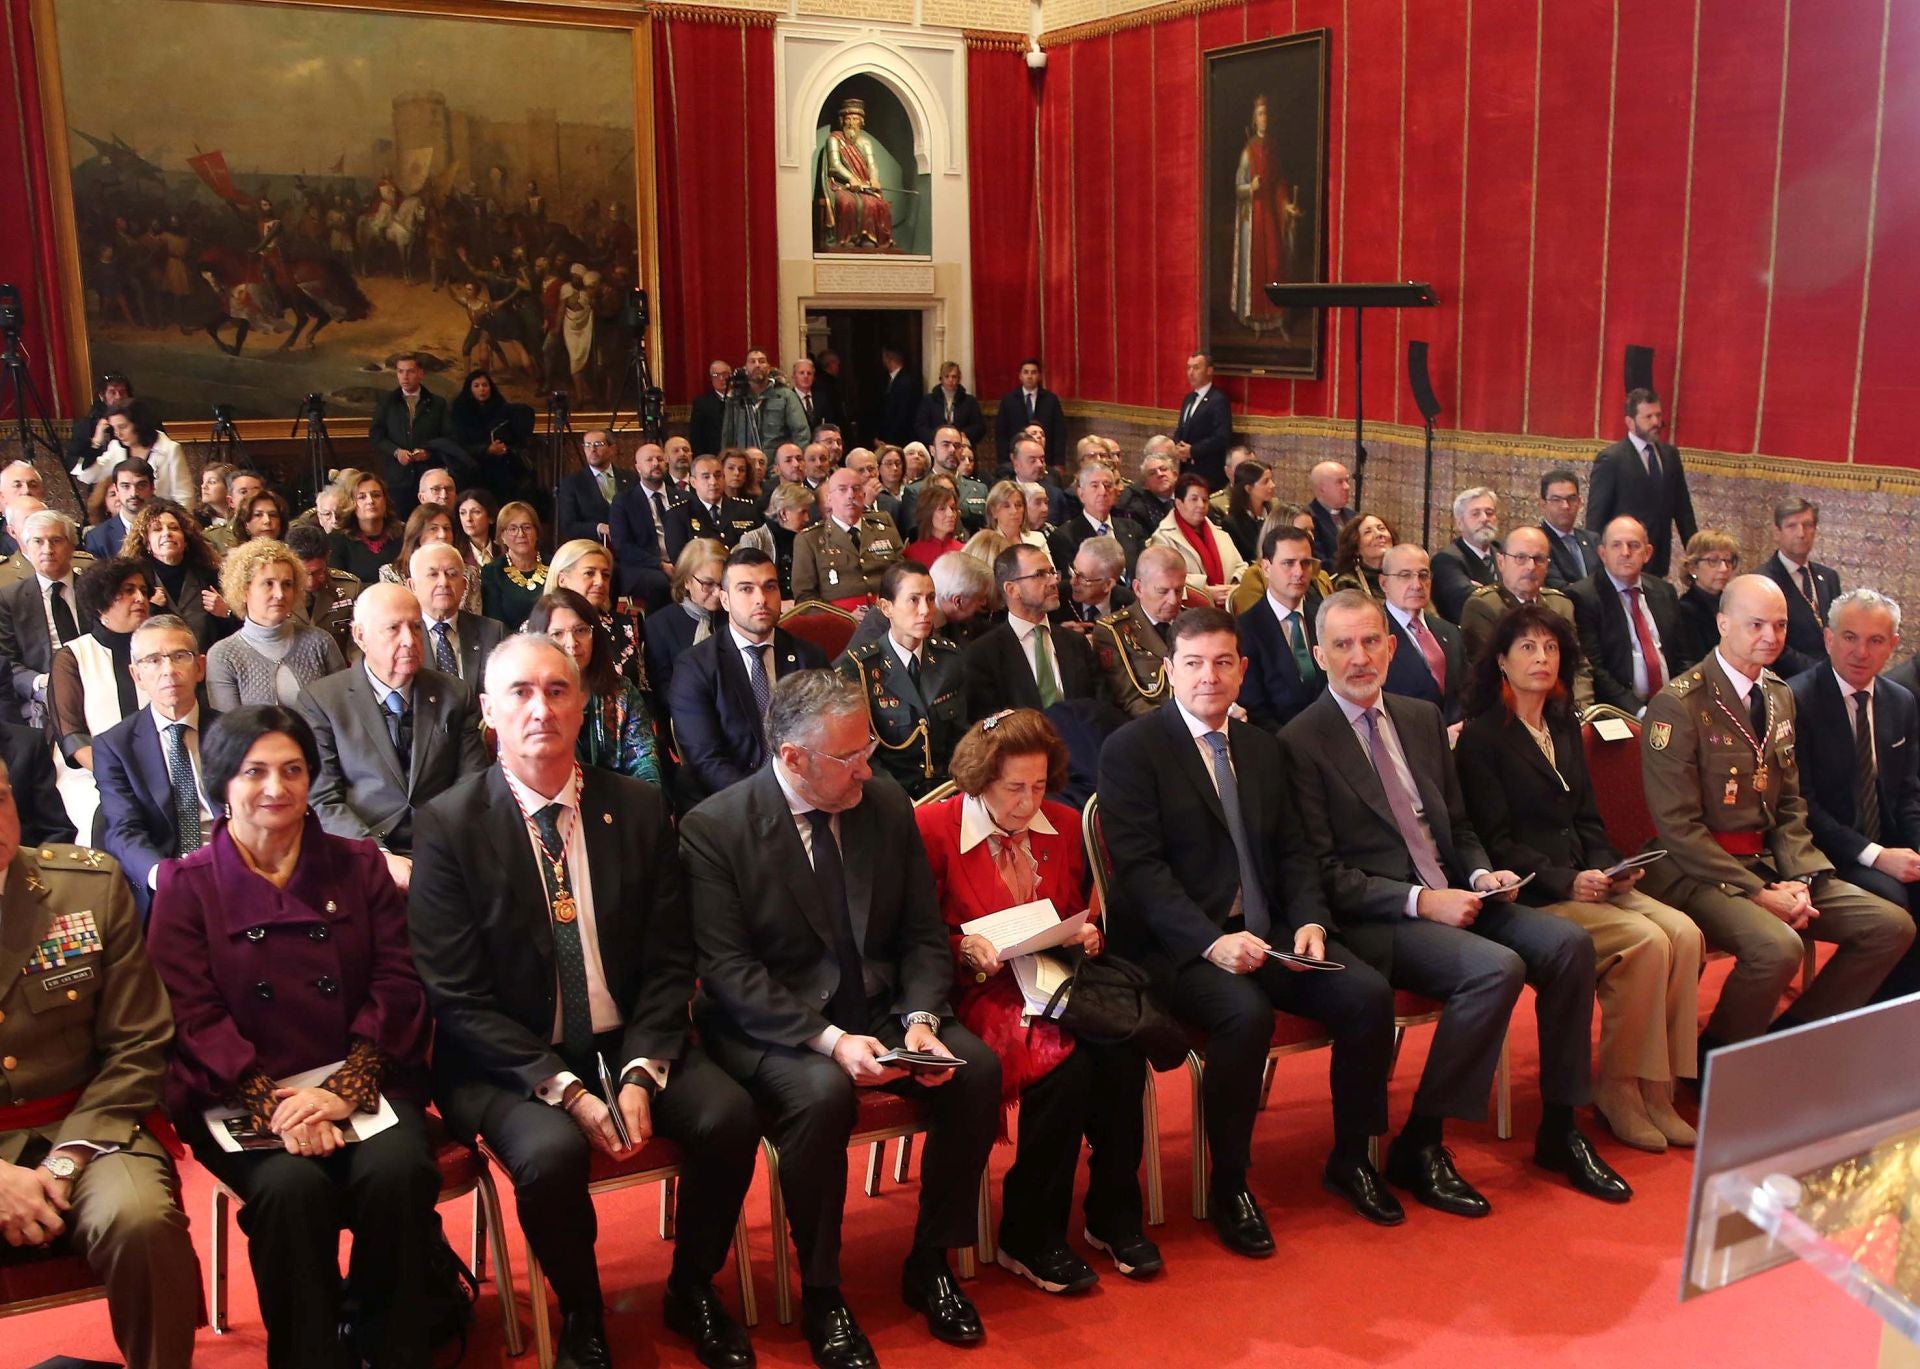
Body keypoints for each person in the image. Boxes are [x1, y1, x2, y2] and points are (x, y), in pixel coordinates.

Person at [409, 634, 761, 1369]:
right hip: (508, 1055)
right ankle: (582, 1312)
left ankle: (692, 1286)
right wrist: (566, 1091)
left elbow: (672, 959)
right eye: (521, 692)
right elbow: (458, 996)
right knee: (548, 1154)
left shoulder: (633, 806)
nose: (542, 708)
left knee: (728, 1116)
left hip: (627, 1037)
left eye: (558, 690)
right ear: (489, 712)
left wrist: (641, 1070)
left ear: (583, 705)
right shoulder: (448, 824)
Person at [683, 669, 1001, 1361]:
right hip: (777, 1024)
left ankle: (931, 1260)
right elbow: (731, 974)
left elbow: (922, 931)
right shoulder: (716, 828)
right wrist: (829, 1041)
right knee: (823, 1097)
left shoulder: (882, 803)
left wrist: (921, 1017)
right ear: (793, 757)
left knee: (975, 1068)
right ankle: (824, 1291)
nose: (868, 765)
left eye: (866, 750)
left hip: (883, 1008)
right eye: (849, 755)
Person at [1281, 590, 1630, 1213]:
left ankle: (1559, 1127)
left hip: (1457, 890)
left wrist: (1480, 872)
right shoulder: (1301, 741)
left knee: (1570, 944)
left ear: (1391, 647)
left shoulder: (1418, 717)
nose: (1360, 657)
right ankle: (1421, 1139)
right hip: (1381, 915)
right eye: (1342, 645)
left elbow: (1460, 826)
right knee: (1495, 969)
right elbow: (1323, 873)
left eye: (1370, 642)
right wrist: (1422, 900)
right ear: (1319, 654)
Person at [146, 705, 440, 1368]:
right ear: (222, 783)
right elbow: (189, 1014)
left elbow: (397, 982)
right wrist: (273, 1103)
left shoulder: (359, 866)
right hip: (238, 1092)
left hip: (357, 1076)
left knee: (399, 1171)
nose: (275, 787)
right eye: (255, 772)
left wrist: (344, 1090)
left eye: (292, 769)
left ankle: (385, 1337)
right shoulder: (187, 887)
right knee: (291, 1191)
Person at [1455, 604, 1703, 1151]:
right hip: (1533, 894)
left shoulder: (1565, 723)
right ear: (1501, 660)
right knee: (1645, 941)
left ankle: (1657, 1087)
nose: (1542, 658)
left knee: (1684, 932)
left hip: (1585, 878)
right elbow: (1496, 841)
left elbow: (1589, 817)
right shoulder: (1482, 737)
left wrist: (1612, 866)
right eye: (1527, 648)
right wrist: (1569, 880)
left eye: (1550, 648)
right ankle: (1616, 1087)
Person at [922, 710, 1156, 1287]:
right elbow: (910, 933)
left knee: (1123, 1052)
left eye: (1038, 785)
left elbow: (1084, 903)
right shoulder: (933, 828)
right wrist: (961, 946)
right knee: (1067, 1068)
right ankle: (1028, 1230)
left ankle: (1112, 1210)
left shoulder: (1065, 822)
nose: (1029, 803)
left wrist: (1089, 930)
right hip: (979, 988)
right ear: (980, 781)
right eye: (1013, 789)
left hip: (1058, 975)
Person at [1637, 575, 1915, 1055]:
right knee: (1778, 947)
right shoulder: (1678, 704)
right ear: (1723, 623)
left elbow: (1789, 803)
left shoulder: (1780, 694)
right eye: (1756, 624)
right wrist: (1760, 893)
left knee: (1890, 926)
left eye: (1780, 625)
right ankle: (1717, 1058)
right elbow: (1678, 829)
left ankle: (1790, 1041)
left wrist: (1801, 877)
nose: (1770, 636)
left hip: (1772, 862)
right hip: (1699, 871)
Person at [0, 754, 198, 1369]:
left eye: (0, 797)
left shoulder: (86, 884)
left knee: (141, 1221)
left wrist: (64, 1162)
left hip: (90, 1125)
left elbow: (138, 1041)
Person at [296, 583, 488, 890]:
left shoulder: (454, 693)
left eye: (415, 627)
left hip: (444, 847)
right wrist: (378, 856)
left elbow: (473, 783)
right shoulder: (323, 701)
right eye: (393, 629)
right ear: (360, 636)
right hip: (361, 849)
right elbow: (323, 800)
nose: (409, 640)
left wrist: (443, 850)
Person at [1786, 589, 1920, 1003]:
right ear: (1828, 639)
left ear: (1893, 645)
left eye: (1876, 641)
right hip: (1826, 852)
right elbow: (1802, 806)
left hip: (1887, 841)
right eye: (1849, 637)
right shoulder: (1796, 699)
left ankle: (1898, 1016)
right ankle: (1844, 1019)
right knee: (1896, 905)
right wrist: (1877, 856)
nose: (1861, 651)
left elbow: (1908, 795)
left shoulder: (1900, 701)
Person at [668, 548, 828, 802]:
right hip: (736, 802)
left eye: (770, 587)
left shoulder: (809, 657)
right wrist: (768, 801)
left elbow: (828, 735)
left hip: (808, 792)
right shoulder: (695, 666)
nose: (761, 599)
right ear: (725, 600)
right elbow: (707, 760)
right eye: (746, 589)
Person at [91, 614, 215, 920]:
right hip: (164, 881)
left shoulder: (234, 731)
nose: (168, 671)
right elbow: (123, 830)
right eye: (153, 661)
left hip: (234, 870)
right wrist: (165, 877)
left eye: (179, 657)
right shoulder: (114, 746)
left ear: (199, 667)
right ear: (136, 675)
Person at [832, 561, 966, 797]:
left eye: (931, 598)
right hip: (889, 796)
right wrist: (897, 800)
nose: (925, 610)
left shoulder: (949, 658)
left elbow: (964, 735)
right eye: (914, 600)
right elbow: (860, 754)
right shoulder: (860, 668)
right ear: (886, 608)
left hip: (950, 789)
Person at [526, 588, 663, 787]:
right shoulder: (527, 702)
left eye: (580, 630)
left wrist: (641, 802)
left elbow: (644, 762)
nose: (571, 644)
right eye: (557, 634)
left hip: (619, 803)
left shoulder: (621, 693)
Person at [1458, 526, 1594, 709]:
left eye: (1539, 559)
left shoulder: (1560, 605)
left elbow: (1577, 666)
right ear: (1501, 561)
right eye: (1521, 558)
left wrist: (1581, 709)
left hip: (1563, 709)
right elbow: (1490, 674)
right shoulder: (1484, 606)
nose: (1531, 567)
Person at [964, 544, 1106, 717]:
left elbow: (1100, 706)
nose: (1054, 581)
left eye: (1052, 572)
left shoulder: (1076, 642)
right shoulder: (983, 655)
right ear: (1012, 589)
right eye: (1040, 575)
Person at [207, 540, 347, 709]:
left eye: (287, 584)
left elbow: (344, 711)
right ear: (244, 590)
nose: (280, 594)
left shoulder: (321, 641)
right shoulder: (223, 655)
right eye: (268, 584)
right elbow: (230, 728)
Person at [1568, 516, 1686, 715]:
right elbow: (1595, 669)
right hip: (1618, 712)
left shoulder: (1665, 592)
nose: (1625, 553)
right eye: (1616, 545)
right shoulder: (1584, 597)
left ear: (1647, 553)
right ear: (1603, 553)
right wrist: (1640, 712)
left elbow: (1684, 657)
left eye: (1633, 545)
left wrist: (1680, 701)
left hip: (1671, 706)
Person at [1586, 387, 1696, 578]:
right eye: (1648, 417)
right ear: (1630, 422)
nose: (1656, 422)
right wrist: (1595, 568)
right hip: (1623, 561)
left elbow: (1683, 511)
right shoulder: (1611, 459)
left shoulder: (1670, 455)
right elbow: (1596, 518)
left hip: (1658, 560)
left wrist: (1696, 556)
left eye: (1658, 415)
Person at [0, 510, 91, 728]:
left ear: (71, 546)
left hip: (97, 680)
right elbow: (7, 662)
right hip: (43, 694)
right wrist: (41, 682)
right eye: (38, 542)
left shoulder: (94, 588)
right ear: (26, 548)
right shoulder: (10, 599)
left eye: (56, 541)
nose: (47, 550)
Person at [1236, 522, 1327, 733]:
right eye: (1288, 563)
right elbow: (1254, 710)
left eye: (1305, 563)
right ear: (1266, 568)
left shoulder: (1324, 618)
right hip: (1280, 742)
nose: (1299, 572)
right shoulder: (1245, 629)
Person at [1090, 544, 1187, 718]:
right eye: (1163, 591)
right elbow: (1130, 700)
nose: (1173, 600)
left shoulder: (1193, 624)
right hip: (1154, 728)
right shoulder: (1114, 632)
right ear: (1138, 588)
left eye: (1179, 590)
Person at [1378, 544, 1468, 729]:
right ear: (1384, 583)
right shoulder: (1374, 636)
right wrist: (1441, 736)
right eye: (1405, 575)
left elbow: (1467, 689)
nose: (1417, 585)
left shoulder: (1449, 631)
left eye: (1423, 575)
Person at [124, 498, 233, 648]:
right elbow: (127, 633)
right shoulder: (136, 582)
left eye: (174, 528)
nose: (167, 533)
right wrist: (151, 608)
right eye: (157, 529)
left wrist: (225, 613)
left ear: (186, 540)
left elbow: (236, 632)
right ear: (147, 543)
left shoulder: (210, 575)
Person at [370, 354, 467, 515]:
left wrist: (428, 452)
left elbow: (450, 438)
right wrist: (396, 452)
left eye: (410, 372)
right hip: (398, 478)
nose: (405, 377)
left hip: (429, 477)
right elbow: (376, 435)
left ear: (421, 374)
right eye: (401, 372)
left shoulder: (437, 403)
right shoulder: (387, 402)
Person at [792, 467, 904, 604]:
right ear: (829, 498)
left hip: (888, 614)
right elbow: (805, 597)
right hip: (838, 620)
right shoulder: (809, 540)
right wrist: (843, 615)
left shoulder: (884, 528)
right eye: (842, 489)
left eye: (856, 489)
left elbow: (904, 577)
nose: (851, 495)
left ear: (863, 495)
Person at [1758, 496, 1841, 678]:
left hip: (1830, 678)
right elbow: (1769, 641)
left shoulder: (1828, 577)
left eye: (1808, 525)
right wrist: (1819, 671)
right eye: (1792, 526)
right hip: (1788, 681)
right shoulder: (1763, 581)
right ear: (1777, 532)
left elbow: (1837, 628)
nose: (1801, 533)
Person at [409, 542, 504, 686]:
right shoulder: (404, 637)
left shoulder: (492, 633)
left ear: (464, 586)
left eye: (451, 574)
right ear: (412, 586)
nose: (443, 582)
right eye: (433, 574)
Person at [645, 539, 726, 706]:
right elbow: (663, 689)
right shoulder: (659, 625)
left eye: (722, 583)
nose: (717, 593)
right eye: (708, 584)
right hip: (687, 711)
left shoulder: (735, 618)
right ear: (687, 581)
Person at [610, 440, 688, 611]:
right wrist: (660, 564)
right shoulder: (624, 501)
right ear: (637, 467)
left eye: (660, 459)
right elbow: (622, 546)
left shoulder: (684, 498)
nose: (655, 464)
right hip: (642, 566)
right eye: (649, 460)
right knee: (659, 583)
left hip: (681, 563)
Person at [1148, 472, 1246, 606]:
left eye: (1205, 500)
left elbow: (1241, 566)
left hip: (1227, 606)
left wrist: (1233, 586)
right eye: (1194, 499)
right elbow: (1165, 578)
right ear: (1179, 503)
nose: (1201, 505)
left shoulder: (1220, 534)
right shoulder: (1163, 538)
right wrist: (1204, 592)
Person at [1050, 459, 1144, 577]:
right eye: (1094, 486)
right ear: (1081, 494)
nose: (1103, 492)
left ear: (1115, 492)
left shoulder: (1132, 529)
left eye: (1108, 485)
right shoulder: (1064, 537)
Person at [448, 369, 528, 505]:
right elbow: (458, 443)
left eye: (485, 385)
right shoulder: (460, 410)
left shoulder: (500, 406)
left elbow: (511, 435)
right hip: (470, 467)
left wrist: (503, 447)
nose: (482, 389)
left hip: (499, 466)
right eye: (477, 386)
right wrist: (486, 449)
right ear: (469, 389)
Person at [664, 454, 763, 561]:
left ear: (724, 478)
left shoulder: (746, 509)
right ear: (693, 482)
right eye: (706, 477)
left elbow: (761, 547)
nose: (713, 482)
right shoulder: (679, 514)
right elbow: (680, 561)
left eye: (718, 475)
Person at [93, 403, 192, 506]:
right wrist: (95, 442)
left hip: (160, 516)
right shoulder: (116, 448)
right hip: (126, 515)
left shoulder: (170, 450)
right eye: (114, 428)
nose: (118, 434)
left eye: (122, 427)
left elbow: (184, 497)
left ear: (138, 424)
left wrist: (174, 520)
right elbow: (89, 476)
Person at [1430, 487, 1501, 623]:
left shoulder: (1504, 551)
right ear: (1460, 524)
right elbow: (1472, 603)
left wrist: (1485, 590)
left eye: (1489, 513)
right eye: (1475, 514)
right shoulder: (1446, 561)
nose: (1485, 519)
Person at [721, 349, 811, 456]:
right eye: (752, 361)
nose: (757, 365)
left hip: (776, 468)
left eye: (761, 361)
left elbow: (801, 433)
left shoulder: (785, 396)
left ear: (768, 367)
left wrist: (794, 461)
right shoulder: (736, 398)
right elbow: (728, 437)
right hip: (744, 466)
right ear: (745, 368)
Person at [1677, 530, 1741, 671]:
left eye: (1728, 561)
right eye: (1713, 561)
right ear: (1693, 567)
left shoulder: (1734, 603)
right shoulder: (1684, 610)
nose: (1724, 569)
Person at [739, 481, 814, 599]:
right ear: (783, 513)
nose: (807, 518)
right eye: (802, 512)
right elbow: (749, 587)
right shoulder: (755, 540)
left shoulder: (807, 539)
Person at [558, 430, 634, 545]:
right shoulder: (572, 483)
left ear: (612, 449)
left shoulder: (631, 479)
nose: (592, 449)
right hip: (592, 548)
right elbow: (569, 526)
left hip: (629, 547)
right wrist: (599, 528)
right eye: (587, 445)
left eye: (598, 444)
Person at [480, 501, 549, 626]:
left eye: (527, 527)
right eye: (513, 529)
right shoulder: (492, 572)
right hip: (510, 643)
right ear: (502, 536)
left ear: (537, 532)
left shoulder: (555, 565)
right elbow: (495, 625)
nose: (521, 534)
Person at [329, 471, 407, 583]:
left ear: (385, 500)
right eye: (362, 497)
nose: (370, 501)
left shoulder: (404, 534)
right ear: (351, 503)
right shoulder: (337, 540)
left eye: (376, 495)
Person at [1171, 353, 1232, 488]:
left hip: (1207, 472)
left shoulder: (1218, 400)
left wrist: (1193, 451)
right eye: (1189, 368)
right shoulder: (1188, 399)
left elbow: (1222, 437)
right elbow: (1181, 429)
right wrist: (1177, 446)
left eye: (1196, 368)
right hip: (1186, 469)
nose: (1191, 373)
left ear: (1209, 370)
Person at [995, 360, 1067, 474]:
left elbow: (1059, 433)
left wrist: (1059, 462)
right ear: (1020, 376)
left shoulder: (1050, 400)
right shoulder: (1009, 400)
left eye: (1033, 373)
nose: (1029, 376)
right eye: (1026, 372)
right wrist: (1003, 461)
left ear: (1039, 376)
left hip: (1047, 460)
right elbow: (1001, 433)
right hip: (1017, 459)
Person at [1537, 468, 1600, 590]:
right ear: (1543, 505)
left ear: (1580, 502)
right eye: (1556, 500)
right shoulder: (1538, 543)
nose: (1565, 506)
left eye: (1571, 499)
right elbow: (1558, 587)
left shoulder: (1593, 540)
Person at [82, 458, 156, 560]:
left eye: (141, 485)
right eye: (126, 486)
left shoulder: (170, 528)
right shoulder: (98, 538)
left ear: (152, 488)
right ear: (116, 489)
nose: (133, 493)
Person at [914, 362, 985, 448]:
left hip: (962, 446)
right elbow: (921, 426)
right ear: (941, 378)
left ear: (959, 379)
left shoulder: (969, 401)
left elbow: (979, 426)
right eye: (947, 376)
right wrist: (938, 437)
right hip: (935, 447)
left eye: (954, 377)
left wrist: (962, 435)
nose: (950, 380)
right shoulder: (928, 400)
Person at [1064, 536, 1132, 625]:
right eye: (1073, 570)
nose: (1072, 581)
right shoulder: (1057, 599)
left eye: (1082, 577)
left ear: (1108, 584)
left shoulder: (1130, 606)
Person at [1329, 511, 1394, 600]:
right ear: (1355, 548)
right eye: (1368, 532)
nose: (1378, 534)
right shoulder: (1347, 583)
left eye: (1381, 528)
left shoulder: (1404, 574)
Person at [1221, 459, 1275, 563]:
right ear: (1249, 489)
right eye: (1266, 481)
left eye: (1271, 479)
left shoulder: (1273, 514)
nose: (1272, 485)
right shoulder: (1232, 524)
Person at [1117, 446, 1177, 533]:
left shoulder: (1188, 498)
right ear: (1145, 485)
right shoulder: (1138, 511)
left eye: (1163, 469)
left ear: (1175, 475)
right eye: (1152, 473)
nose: (1160, 474)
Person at [905, 484, 967, 569]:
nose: (951, 514)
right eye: (942, 509)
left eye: (953, 508)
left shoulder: (964, 550)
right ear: (927, 513)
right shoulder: (912, 554)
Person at [1305, 460, 1354, 565]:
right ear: (1322, 488)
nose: (1347, 487)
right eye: (1340, 482)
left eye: (1347, 481)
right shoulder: (1309, 520)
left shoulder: (1354, 517)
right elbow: (1318, 562)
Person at [690, 359, 732, 459]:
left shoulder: (742, 401)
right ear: (711, 379)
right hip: (712, 456)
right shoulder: (702, 403)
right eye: (716, 375)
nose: (722, 378)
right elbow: (696, 436)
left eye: (725, 374)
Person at [456, 487, 500, 570]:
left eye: (476, 512)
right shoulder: (456, 554)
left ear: (490, 517)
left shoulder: (504, 551)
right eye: (463, 513)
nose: (468, 519)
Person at [790, 357, 835, 434]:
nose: (806, 376)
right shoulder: (788, 399)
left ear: (813, 377)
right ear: (794, 376)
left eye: (809, 373)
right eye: (801, 373)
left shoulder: (822, 398)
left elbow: (830, 424)